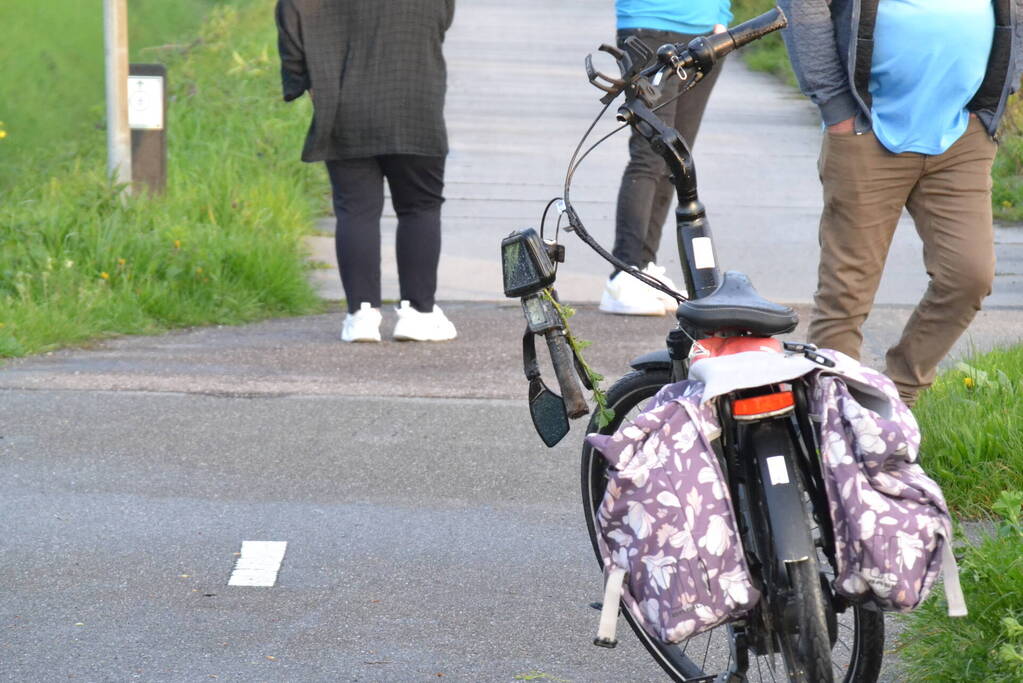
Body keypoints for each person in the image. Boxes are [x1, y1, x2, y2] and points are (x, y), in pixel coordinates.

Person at [778, 0, 1023, 405]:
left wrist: (995, 100)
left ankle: (895, 398)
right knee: (847, 291)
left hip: (962, 132)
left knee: (969, 276)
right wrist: (836, 106)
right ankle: (833, 421)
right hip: (865, 128)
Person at [275, 0, 458, 342]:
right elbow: (441, 19)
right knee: (420, 206)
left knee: (355, 210)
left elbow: (290, 14)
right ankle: (418, 313)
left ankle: (361, 315)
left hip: (344, 103)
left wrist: (301, 79)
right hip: (416, 100)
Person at [600, 0, 733, 316]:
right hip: (649, 29)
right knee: (648, 156)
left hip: (705, 33)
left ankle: (645, 267)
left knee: (675, 155)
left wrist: (721, 16)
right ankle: (623, 274)